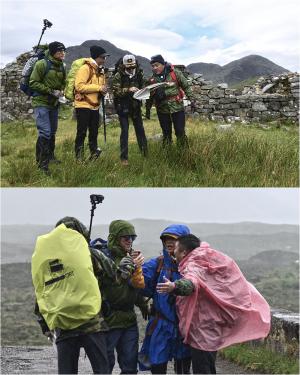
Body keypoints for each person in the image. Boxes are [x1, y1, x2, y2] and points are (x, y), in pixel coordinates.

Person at [157, 234, 271, 374]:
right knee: (208, 365)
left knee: (203, 368)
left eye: (176, 249)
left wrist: (174, 287)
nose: (173, 253)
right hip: (214, 323)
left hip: (202, 329)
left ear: (185, 252)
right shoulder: (207, 255)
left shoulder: (193, 264)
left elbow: (192, 282)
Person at [32, 216, 113, 374]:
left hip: (63, 326)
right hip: (92, 323)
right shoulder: (88, 252)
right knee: (102, 370)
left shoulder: (47, 260)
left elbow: (41, 294)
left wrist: (45, 326)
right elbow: (113, 274)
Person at [139, 224, 192, 374]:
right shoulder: (158, 264)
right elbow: (140, 282)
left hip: (184, 326)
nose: (169, 242)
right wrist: (134, 270)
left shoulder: (192, 267)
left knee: (182, 368)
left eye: (173, 239)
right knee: (157, 366)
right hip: (161, 324)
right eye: (166, 239)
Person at [101, 219, 146, 374]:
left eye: (132, 237)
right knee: (105, 366)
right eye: (125, 237)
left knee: (130, 366)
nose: (129, 240)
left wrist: (142, 304)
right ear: (115, 238)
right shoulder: (104, 260)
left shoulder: (133, 258)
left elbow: (134, 285)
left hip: (128, 320)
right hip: (109, 320)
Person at [29, 41, 66, 174]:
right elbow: (33, 82)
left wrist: (61, 91)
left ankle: (50, 157)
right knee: (45, 132)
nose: (62, 53)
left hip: (54, 104)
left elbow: (64, 82)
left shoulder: (62, 66)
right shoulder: (41, 64)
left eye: (63, 51)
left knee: (52, 132)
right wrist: (51, 91)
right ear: (52, 52)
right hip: (41, 103)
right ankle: (41, 164)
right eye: (59, 51)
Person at [147, 55, 195, 146]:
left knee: (180, 132)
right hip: (162, 109)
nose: (154, 68)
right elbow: (149, 96)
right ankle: (168, 154)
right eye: (153, 66)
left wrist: (192, 100)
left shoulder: (175, 73)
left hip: (177, 107)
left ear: (163, 64)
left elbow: (186, 86)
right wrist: (148, 109)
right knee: (166, 133)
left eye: (157, 65)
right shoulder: (152, 79)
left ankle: (184, 153)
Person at [74, 45, 109, 160]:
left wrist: (103, 91)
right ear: (96, 57)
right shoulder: (85, 68)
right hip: (83, 105)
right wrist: (99, 88)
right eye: (103, 58)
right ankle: (79, 158)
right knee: (82, 132)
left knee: (94, 132)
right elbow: (79, 86)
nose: (104, 60)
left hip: (95, 106)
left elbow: (101, 87)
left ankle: (93, 155)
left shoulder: (101, 71)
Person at [112, 54, 148, 165]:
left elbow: (144, 87)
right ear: (124, 65)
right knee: (125, 132)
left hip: (136, 106)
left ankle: (145, 154)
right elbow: (116, 91)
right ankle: (124, 158)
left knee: (140, 130)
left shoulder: (139, 73)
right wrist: (128, 90)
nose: (131, 69)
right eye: (129, 67)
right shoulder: (118, 75)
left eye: (133, 66)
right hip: (122, 107)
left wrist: (142, 91)